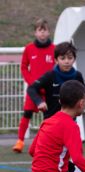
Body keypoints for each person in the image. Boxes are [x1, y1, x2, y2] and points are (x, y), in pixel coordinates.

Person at [27, 41, 85, 172]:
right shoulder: (50, 76)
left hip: (69, 124)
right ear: (56, 59)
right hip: (50, 125)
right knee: (42, 153)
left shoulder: (77, 76)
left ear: (74, 59)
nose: (66, 61)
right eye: (63, 58)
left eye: (70, 58)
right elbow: (31, 89)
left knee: (71, 156)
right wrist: (39, 101)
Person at [12, 18, 55, 153]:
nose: (42, 33)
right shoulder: (29, 49)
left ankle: (45, 142)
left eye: (45, 30)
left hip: (48, 89)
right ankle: (20, 141)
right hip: (34, 90)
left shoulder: (54, 49)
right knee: (27, 114)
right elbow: (24, 67)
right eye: (39, 30)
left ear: (49, 32)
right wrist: (32, 82)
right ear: (35, 33)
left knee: (48, 117)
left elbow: (57, 68)